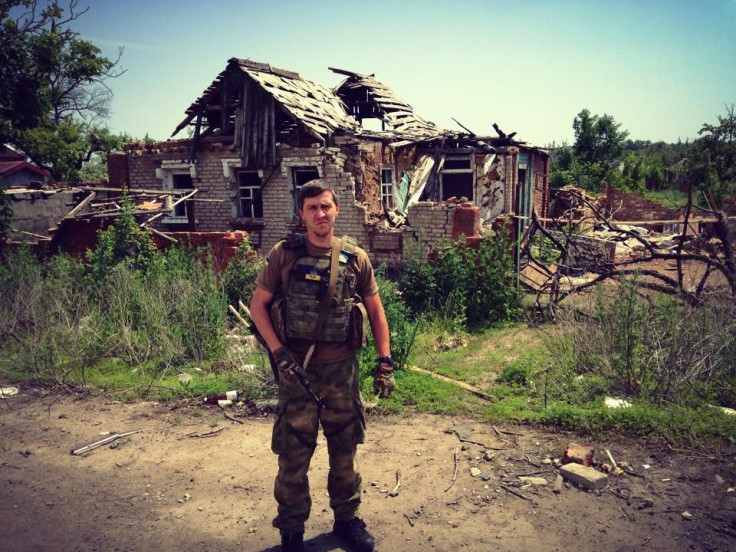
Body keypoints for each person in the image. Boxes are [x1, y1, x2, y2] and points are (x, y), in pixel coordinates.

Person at [249, 180, 395, 552]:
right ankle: (292, 533)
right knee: (293, 456)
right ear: (302, 214)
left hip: (342, 374)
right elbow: (258, 306)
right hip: (297, 373)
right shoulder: (284, 255)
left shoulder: (355, 258)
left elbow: (376, 312)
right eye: (312, 207)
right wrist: (279, 351)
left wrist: (385, 362)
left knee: (344, 451)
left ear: (337, 210)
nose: (320, 214)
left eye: (326, 206)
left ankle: (347, 521)